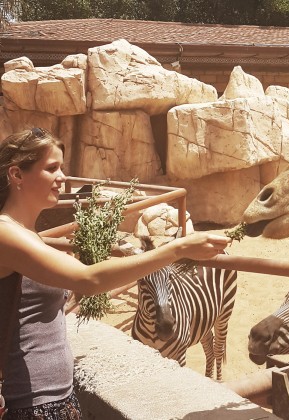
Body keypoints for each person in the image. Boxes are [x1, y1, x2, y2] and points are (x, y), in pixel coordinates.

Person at [0, 128, 232, 419]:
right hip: (32, 405)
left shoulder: (28, 233)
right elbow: (90, 279)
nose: (62, 177)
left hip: (55, 397)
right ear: (17, 175)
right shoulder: (5, 233)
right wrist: (177, 249)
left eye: (61, 167)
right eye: (51, 168)